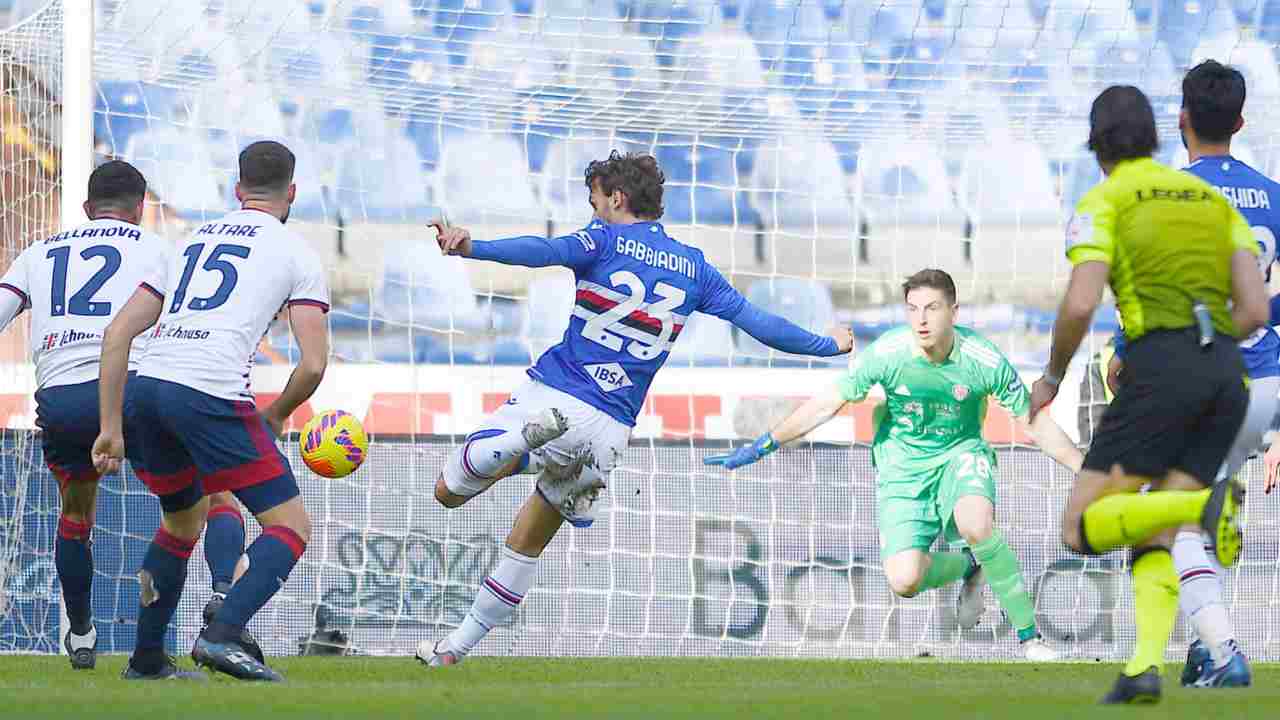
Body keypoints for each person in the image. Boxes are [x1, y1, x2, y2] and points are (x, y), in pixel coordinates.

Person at [416, 150, 854, 666]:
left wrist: (473, 248)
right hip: (610, 428)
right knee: (528, 540)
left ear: (617, 198)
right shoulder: (695, 268)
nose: (593, 209)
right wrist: (828, 344)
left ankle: (521, 441)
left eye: (596, 200)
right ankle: (453, 651)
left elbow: (544, 250)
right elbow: (759, 323)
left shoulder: (601, 239)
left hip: (560, 390)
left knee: (449, 490)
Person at [1028, 85, 1269, 704]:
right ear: (1160, 134)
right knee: (1151, 528)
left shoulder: (1104, 200)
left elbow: (1081, 301)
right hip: (1227, 377)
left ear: (1095, 144)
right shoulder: (1207, 199)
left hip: (1159, 371)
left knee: (1081, 526)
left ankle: (1204, 513)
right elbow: (1254, 308)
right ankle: (1143, 668)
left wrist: (1053, 376)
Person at [704, 268, 1082, 660]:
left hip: (961, 454)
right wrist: (767, 443)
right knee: (904, 579)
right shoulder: (888, 353)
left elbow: (1034, 423)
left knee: (976, 523)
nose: (921, 319)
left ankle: (1030, 638)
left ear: (954, 312)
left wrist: (1082, 469)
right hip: (902, 468)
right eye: (913, 308)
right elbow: (828, 402)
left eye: (932, 308)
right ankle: (968, 566)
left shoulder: (982, 359)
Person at [93, 141, 330, 682]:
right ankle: (221, 635)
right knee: (290, 525)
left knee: (181, 520)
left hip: (146, 389)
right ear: (291, 192)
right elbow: (314, 365)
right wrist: (276, 415)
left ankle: (147, 661)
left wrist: (110, 427)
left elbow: (117, 334)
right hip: (209, 391)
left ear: (237, 190)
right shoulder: (297, 252)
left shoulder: (186, 243)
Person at [1108, 60, 1279, 689]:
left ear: (1180, 120)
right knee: (1197, 513)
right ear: (1239, 121)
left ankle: (1226, 651)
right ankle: (1207, 650)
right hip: (1266, 381)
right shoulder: (1273, 194)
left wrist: (1123, 352)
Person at [0, 161, 169, 671]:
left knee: (76, 514)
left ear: (85, 209)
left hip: (64, 397)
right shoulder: (157, 249)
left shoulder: (37, 253)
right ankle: (216, 611)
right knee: (196, 505)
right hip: (134, 389)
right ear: (140, 209)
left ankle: (79, 632)